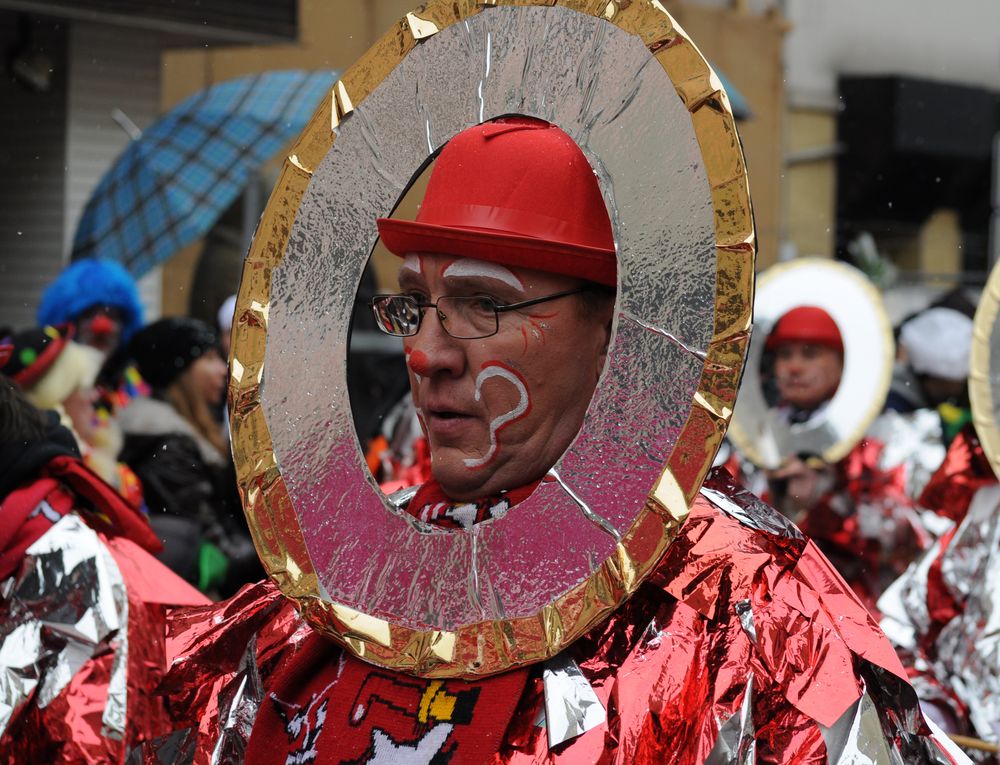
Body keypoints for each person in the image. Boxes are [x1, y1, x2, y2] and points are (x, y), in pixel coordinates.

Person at [130, 118, 965, 763]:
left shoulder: (749, 604)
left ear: (615, 328)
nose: (425, 353)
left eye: (484, 303)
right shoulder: (332, 590)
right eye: (414, 304)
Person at [0, 357, 208, 761]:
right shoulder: (36, 534)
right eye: (81, 385)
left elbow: (91, 745)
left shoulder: (66, 574)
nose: (95, 396)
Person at [118, 317, 258, 595]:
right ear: (179, 373)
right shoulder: (167, 444)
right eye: (208, 358)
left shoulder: (188, 435)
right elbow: (213, 540)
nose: (222, 369)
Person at [2, 325, 144, 509]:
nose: (95, 395)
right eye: (85, 387)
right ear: (56, 397)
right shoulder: (59, 473)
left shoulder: (92, 454)